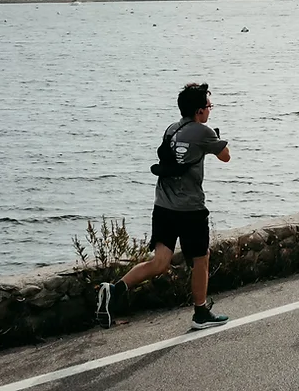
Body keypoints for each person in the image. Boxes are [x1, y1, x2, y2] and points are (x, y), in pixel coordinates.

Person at [95, 82, 231, 330]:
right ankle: (200, 313)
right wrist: (211, 141)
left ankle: (114, 290)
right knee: (201, 258)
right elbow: (226, 156)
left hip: (163, 207)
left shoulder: (171, 129)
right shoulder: (203, 131)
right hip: (190, 209)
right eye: (209, 106)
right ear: (199, 110)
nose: (210, 110)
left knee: (160, 262)